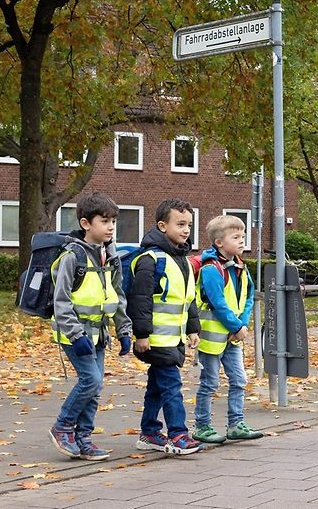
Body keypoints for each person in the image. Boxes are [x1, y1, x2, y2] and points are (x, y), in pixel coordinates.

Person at [49, 192, 132, 461]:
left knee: (95, 387)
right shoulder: (72, 256)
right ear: (86, 223)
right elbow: (61, 301)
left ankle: (83, 438)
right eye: (104, 221)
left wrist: (124, 330)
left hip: (99, 333)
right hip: (75, 333)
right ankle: (63, 427)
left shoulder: (110, 255)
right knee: (91, 380)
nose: (110, 227)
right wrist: (76, 335)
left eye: (113, 221)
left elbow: (118, 295)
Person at [127, 198, 203, 455]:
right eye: (180, 224)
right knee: (171, 387)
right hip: (156, 340)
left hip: (174, 339)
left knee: (157, 388)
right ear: (162, 226)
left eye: (189, 225)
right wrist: (141, 334)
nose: (186, 230)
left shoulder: (183, 261)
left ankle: (149, 432)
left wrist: (192, 328)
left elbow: (188, 299)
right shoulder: (150, 260)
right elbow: (140, 300)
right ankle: (178, 434)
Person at [193, 215, 263, 444]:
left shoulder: (241, 266)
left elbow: (248, 296)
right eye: (236, 237)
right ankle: (202, 426)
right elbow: (217, 303)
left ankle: (236, 423)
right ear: (219, 242)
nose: (242, 241)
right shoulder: (211, 269)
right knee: (209, 382)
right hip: (213, 338)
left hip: (232, 337)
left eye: (243, 236)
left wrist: (242, 324)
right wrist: (237, 326)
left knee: (239, 379)